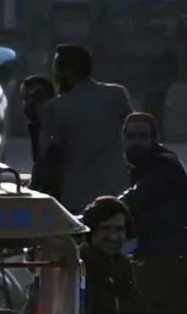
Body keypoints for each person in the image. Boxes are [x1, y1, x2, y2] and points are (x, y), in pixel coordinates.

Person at [121, 111, 187, 314]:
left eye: (142, 136)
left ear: (154, 138)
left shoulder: (164, 164)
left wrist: (95, 215)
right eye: (131, 137)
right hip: (159, 258)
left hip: (173, 263)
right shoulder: (144, 168)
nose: (136, 142)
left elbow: (135, 200)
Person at [36, 44, 134, 213]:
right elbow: (134, 132)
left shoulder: (57, 106)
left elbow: (48, 154)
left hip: (77, 195)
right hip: (118, 191)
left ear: (67, 72)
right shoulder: (117, 94)